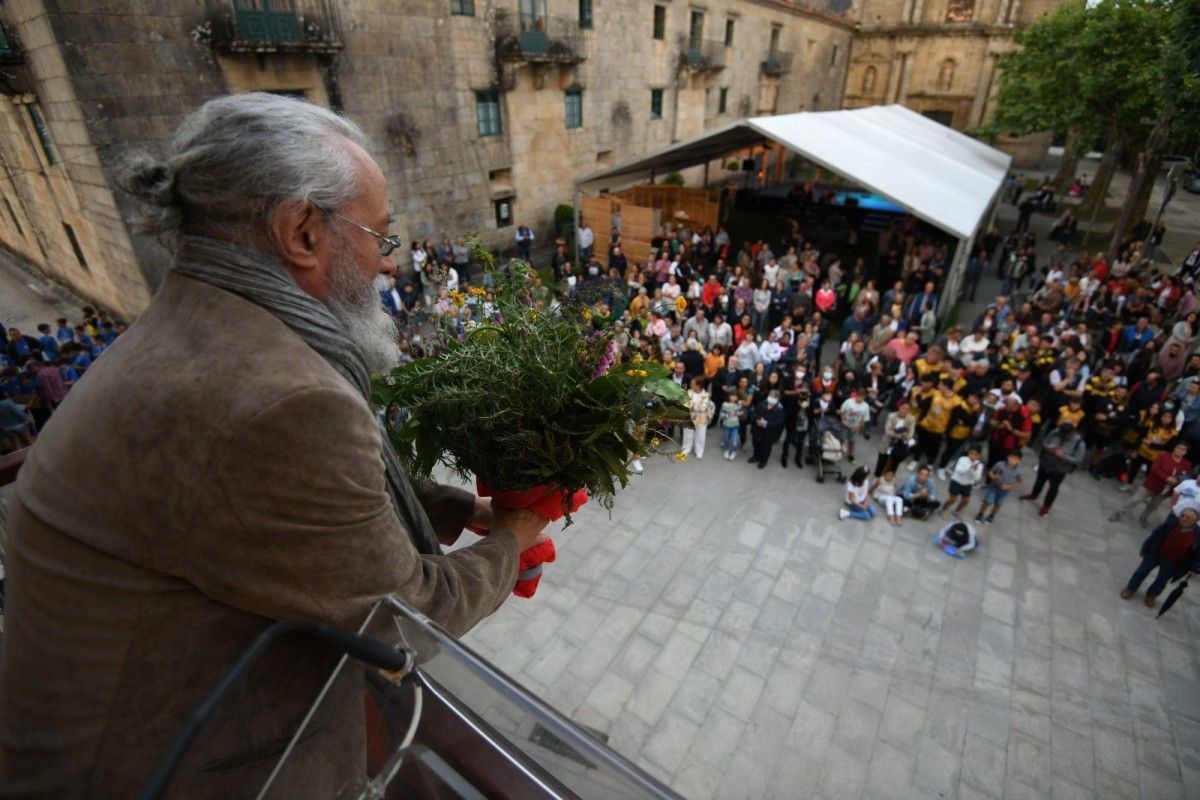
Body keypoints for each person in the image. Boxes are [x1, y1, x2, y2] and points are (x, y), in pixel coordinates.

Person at [0, 94, 551, 798]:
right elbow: (406, 619)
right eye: (380, 238)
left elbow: (282, 521)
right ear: (302, 232)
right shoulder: (286, 401)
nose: (389, 267)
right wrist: (514, 534)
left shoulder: (200, 320)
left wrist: (450, 506)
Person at [1120, 508, 1200, 608]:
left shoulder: (1198, 535)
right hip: (1156, 554)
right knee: (1141, 571)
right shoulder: (1170, 523)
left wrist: (1195, 569)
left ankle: (1151, 595)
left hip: (1173, 562)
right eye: (1182, 515)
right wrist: (1145, 548)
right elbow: (1155, 535)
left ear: (1195, 520)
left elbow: (1198, 554)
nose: (1183, 518)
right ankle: (1130, 589)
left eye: (1187, 517)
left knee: (1161, 581)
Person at [1110, 441, 1192, 525]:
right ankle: (1119, 513)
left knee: (1153, 505)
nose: (1180, 450)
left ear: (1185, 452)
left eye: (1183, 449)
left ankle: (1144, 517)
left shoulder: (1186, 464)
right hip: (1151, 484)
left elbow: (1186, 475)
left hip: (1166, 491)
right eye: (1178, 448)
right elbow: (1154, 469)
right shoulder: (1163, 456)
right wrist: (1166, 478)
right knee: (1135, 499)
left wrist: (1177, 480)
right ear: (1174, 448)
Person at [1020, 421, 1085, 516]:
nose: (1062, 436)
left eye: (1065, 435)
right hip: (1045, 463)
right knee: (1039, 480)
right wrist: (1049, 447)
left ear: (1072, 433)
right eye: (1061, 434)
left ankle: (1046, 506)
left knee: (1053, 488)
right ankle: (1034, 494)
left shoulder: (1079, 443)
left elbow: (1078, 460)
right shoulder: (1055, 432)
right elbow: (1044, 442)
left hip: (1059, 470)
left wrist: (1062, 456)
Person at [975, 450, 1023, 524]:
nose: (1012, 460)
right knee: (987, 501)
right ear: (1008, 457)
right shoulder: (1000, 464)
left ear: (1019, 461)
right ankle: (980, 513)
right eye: (1011, 457)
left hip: (1004, 491)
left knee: (998, 504)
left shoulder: (1018, 471)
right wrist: (993, 476)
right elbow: (990, 471)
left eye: (1015, 458)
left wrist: (1009, 486)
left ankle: (991, 516)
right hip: (994, 486)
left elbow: (1020, 482)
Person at [942, 445, 984, 519]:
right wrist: (970, 468)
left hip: (967, 484)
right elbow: (959, 470)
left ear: (979, 455)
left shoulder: (980, 465)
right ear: (968, 453)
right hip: (956, 481)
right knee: (953, 499)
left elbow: (977, 478)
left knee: (966, 501)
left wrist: (974, 471)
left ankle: (957, 511)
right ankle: (943, 510)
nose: (973, 456)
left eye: (975, 454)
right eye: (971, 453)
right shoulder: (962, 459)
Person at [748, 388, 785, 468]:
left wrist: (766, 423)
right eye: (770, 396)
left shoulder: (779, 410)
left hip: (769, 433)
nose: (771, 398)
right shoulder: (761, 403)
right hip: (757, 430)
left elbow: (778, 423)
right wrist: (758, 420)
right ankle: (756, 456)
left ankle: (763, 460)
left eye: (774, 397)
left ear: (777, 399)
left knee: (766, 448)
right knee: (756, 444)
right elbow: (755, 412)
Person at [681, 377, 713, 459]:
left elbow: (703, 407)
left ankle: (699, 451)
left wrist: (692, 405)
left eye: (693, 383)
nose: (691, 385)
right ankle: (686, 449)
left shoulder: (706, 395)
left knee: (700, 435)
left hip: (701, 418)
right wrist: (693, 405)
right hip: (689, 418)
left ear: (698, 385)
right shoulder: (689, 392)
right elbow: (685, 404)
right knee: (688, 434)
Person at [838, 390, 870, 465]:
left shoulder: (866, 406)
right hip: (845, 424)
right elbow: (842, 411)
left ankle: (850, 455)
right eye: (858, 396)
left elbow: (864, 419)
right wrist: (843, 420)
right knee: (842, 438)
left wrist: (858, 427)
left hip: (855, 426)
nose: (859, 398)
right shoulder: (848, 402)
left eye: (862, 396)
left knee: (852, 441)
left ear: (864, 397)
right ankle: (838, 453)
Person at [720, 388, 743, 460]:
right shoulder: (725, 404)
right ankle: (726, 450)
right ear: (729, 396)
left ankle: (734, 451)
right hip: (726, 425)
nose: (733, 398)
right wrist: (728, 415)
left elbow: (741, 413)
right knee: (726, 439)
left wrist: (737, 413)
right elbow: (721, 414)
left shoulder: (739, 404)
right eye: (732, 396)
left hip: (735, 426)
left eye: (735, 396)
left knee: (734, 441)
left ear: (737, 397)